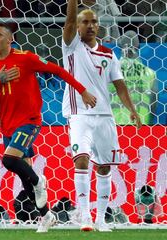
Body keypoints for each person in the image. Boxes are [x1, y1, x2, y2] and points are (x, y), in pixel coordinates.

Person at [0, 23, 97, 233]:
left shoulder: (26, 58)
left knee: (9, 160)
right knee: (25, 179)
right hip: (7, 124)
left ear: (9, 39)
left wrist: (82, 91)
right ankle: (46, 216)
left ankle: (38, 179)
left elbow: (58, 70)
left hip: (29, 120)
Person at [62, 0, 142, 232]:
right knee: (82, 160)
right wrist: (72, 3)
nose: (90, 25)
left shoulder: (109, 53)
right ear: (77, 27)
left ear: (99, 26)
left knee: (105, 167)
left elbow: (120, 85)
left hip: (105, 116)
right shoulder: (72, 47)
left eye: (93, 21)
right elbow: (68, 20)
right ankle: (85, 215)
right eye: (84, 22)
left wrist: (132, 109)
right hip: (80, 115)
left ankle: (101, 219)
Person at [110, 30, 157, 125]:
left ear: (120, 48)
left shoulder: (110, 71)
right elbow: (153, 104)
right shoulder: (150, 73)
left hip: (115, 124)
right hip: (142, 123)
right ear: (139, 47)